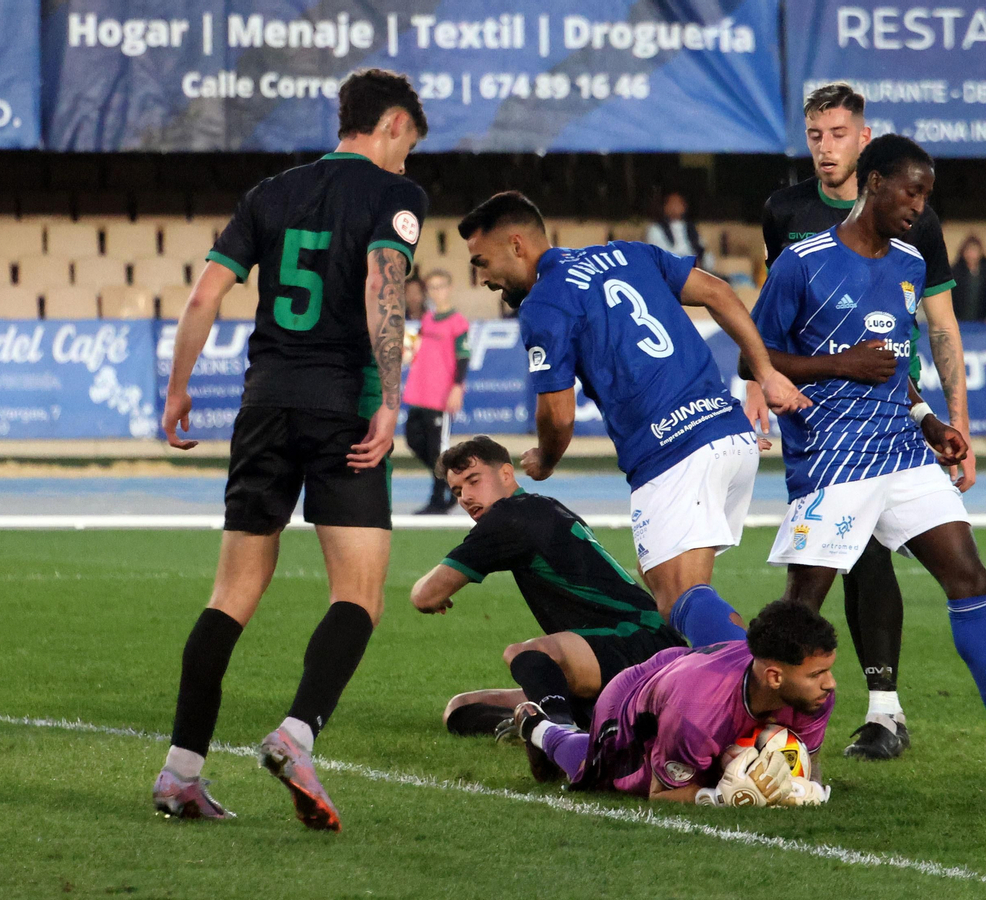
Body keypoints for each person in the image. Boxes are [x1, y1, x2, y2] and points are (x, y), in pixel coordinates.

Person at [752, 134, 986, 779]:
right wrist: (839, 366)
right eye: (910, 190)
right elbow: (755, 356)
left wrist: (929, 418)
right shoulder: (802, 262)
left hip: (902, 448)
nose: (919, 204)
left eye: (927, 194)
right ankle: (766, 747)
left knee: (969, 578)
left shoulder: (910, 263)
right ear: (873, 182)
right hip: (831, 456)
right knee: (801, 613)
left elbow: (891, 368)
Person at [150, 67, 429, 830]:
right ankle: (297, 732)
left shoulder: (267, 194)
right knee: (359, 594)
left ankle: (181, 772)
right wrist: (391, 399)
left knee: (231, 595)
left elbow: (206, 294)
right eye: (409, 146)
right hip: (341, 408)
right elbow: (383, 283)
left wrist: (177, 390)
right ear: (394, 123)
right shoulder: (394, 196)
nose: (408, 163)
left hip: (263, 405)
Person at [457, 191, 809, 648]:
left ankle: (763, 684)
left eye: (482, 262)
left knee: (680, 599)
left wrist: (545, 458)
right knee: (670, 589)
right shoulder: (627, 252)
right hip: (726, 435)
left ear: (517, 245)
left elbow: (559, 415)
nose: (481, 277)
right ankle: (695, 697)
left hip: (673, 451)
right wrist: (765, 373)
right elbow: (720, 292)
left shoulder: (544, 304)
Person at [758, 81, 976, 762]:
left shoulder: (913, 219)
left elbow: (939, 326)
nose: (826, 148)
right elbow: (769, 322)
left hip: (889, 420)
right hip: (817, 426)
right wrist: (764, 386)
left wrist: (952, 424)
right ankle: (766, 715)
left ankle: (884, 710)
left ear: (864, 140)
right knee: (816, 573)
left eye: (838, 134)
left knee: (880, 556)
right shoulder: (785, 214)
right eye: (815, 135)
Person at [411, 436, 686, 737]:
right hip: (614, 645)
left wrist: (437, 595)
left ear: (505, 474)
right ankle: (590, 718)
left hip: (640, 640)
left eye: (473, 481)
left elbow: (425, 595)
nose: (465, 497)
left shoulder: (509, 518)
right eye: (457, 490)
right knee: (460, 709)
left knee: (528, 655)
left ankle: (560, 733)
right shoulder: (539, 506)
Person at [514, 599, 836, 807]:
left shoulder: (813, 695)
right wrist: (720, 799)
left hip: (691, 676)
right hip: (630, 699)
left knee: (714, 765)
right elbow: (661, 795)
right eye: (817, 673)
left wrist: (806, 789)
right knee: (599, 777)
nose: (829, 683)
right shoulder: (695, 717)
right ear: (775, 677)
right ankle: (542, 730)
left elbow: (806, 761)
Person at [402, 269, 469, 514]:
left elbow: (463, 357)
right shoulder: (428, 319)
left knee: (437, 449)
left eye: (441, 286)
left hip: (440, 395)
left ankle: (437, 500)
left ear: (449, 289)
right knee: (413, 439)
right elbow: (416, 345)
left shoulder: (457, 322)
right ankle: (453, 486)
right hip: (419, 393)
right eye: (432, 288)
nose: (437, 292)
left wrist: (456, 388)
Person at [644, 191, 713, 270]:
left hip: (695, 269)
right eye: (672, 204)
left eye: (679, 204)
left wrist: (701, 261)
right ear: (665, 207)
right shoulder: (655, 229)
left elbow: (703, 251)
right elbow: (660, 254)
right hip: (672, 272)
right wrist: (686, 263)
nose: (675, 207)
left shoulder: (691, 228)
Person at [951, 235, 986, 324]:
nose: (971, 254)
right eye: (968, 251)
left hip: (981, 321)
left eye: (975, 250)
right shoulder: (955, 272)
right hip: (959, 320)